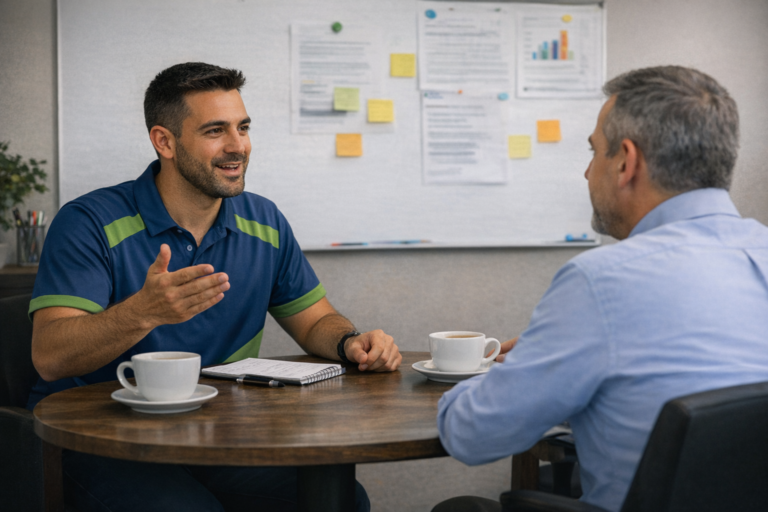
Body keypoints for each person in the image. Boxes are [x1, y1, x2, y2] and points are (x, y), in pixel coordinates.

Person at [28, 62, 401, 512]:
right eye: (215, 130)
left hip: (215, 434)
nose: (237, 146)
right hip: (100, 440)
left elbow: (316, 319)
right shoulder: (88, 222)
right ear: (164, 141)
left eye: (243, 127)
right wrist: (143, 311)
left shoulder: (264, 220)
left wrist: (349, 342)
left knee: (335, 499)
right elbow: (49, 356)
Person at [437, 65, 768, 512]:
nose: (587, 171)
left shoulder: (601, 282)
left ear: (626, 162)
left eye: (594, 152)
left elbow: (470, 436)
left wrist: (501, 378)